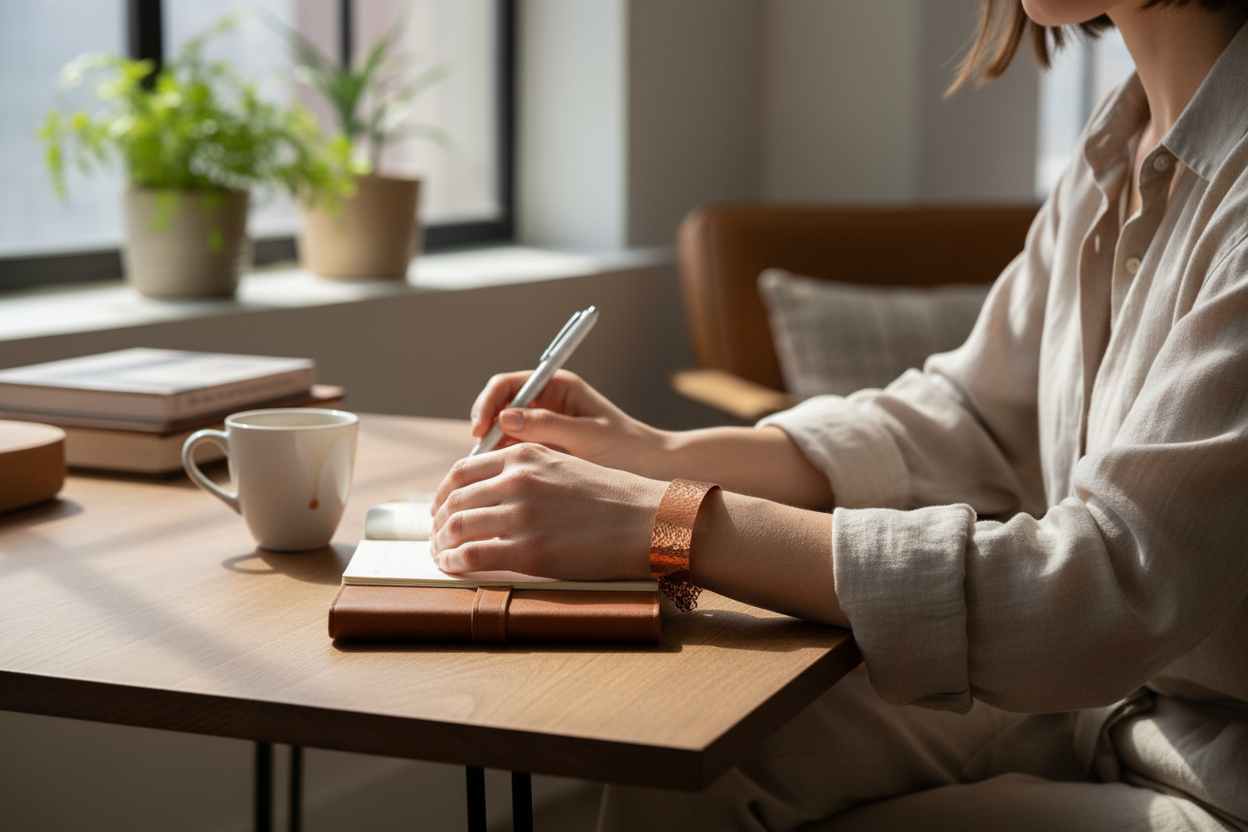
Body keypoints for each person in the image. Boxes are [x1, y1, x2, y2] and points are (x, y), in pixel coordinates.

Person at [430, 0, 1248, 828]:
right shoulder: (1119, 148)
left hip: (1213, 776)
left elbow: (1104, 588)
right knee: (690, 760)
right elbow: (971, 410)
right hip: (1099, 711)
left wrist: (671, 521)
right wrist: (661, 454)